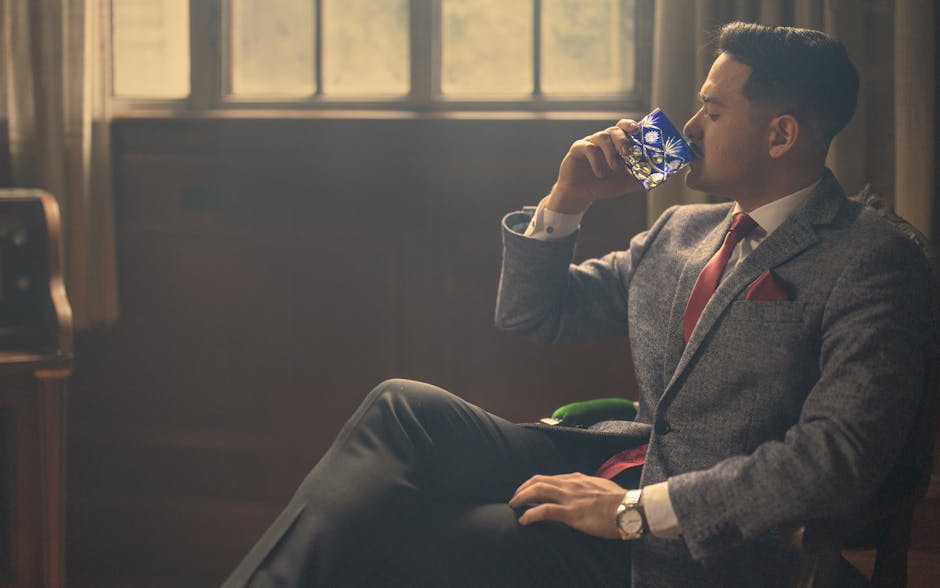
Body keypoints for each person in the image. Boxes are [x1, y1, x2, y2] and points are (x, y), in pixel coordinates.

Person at [222, 22, 933, 587]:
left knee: (428, 534)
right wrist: (570, 199)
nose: (687, 129)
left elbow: (837, 459)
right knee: (400, 408)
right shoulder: (682, 231)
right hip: (615, 461)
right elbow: (535, 313)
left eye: (713, 112)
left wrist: (633, 512)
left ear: (781, 134)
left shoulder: (872, 258)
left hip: (710, 546)